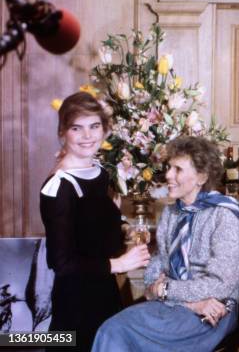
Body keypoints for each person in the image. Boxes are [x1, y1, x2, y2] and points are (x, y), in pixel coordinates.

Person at [92, 136, 239, 352]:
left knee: (117, 332)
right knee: (111, 329)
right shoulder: (171, 212)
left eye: (178, 169)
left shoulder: (223, 216)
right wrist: (184, 301)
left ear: (201, 177)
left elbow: (220, 284)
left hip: (215, 310)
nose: (168, 175)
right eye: (168, 167)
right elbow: (154, 271)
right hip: (180, 305)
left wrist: (166, 289)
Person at [40, 91, 151, 351]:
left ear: (104, 130)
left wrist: (125, 227)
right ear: (62, 133)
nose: (87, 136)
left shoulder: (99, 172)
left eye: (94, 126)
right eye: (76, 128)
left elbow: (97, 228)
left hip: (104, 292)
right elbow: (62, 263)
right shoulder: (59, 187)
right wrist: (119, 263)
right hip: (75, 304)